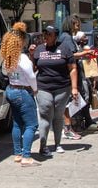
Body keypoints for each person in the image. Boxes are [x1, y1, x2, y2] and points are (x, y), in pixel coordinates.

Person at [33, 25, 79, 155]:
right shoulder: (39, 49)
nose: (46, 36)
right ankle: (43, 146)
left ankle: (58, 144)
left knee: (58, 116)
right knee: (45, 113)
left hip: (62, 88)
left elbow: (73, 68)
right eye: (45, 34)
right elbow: (33, 68)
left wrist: (74, 88)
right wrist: (31, 55)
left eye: (49, 34)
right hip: (43, 87)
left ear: (55, 36)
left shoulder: (64, 49)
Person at [0, 28, 40, 166]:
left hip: (11, 90)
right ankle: (26, 156)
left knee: (17, 123)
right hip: (22, 92)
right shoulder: (22, 58)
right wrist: (35, 90)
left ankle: (18, 153)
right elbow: (31, 76)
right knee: (31, 125)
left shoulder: (9, 57)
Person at [59, 15, 93, 138]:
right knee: (72, 101)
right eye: (76, 24)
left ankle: (71, 125)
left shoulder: (67, 37)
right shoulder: (67, 38)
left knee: (76, 100)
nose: (78, 26)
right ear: (70, 24)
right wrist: (85, 53)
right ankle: (68, 127)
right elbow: (72, 55)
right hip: (70, 74)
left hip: (72, 72)